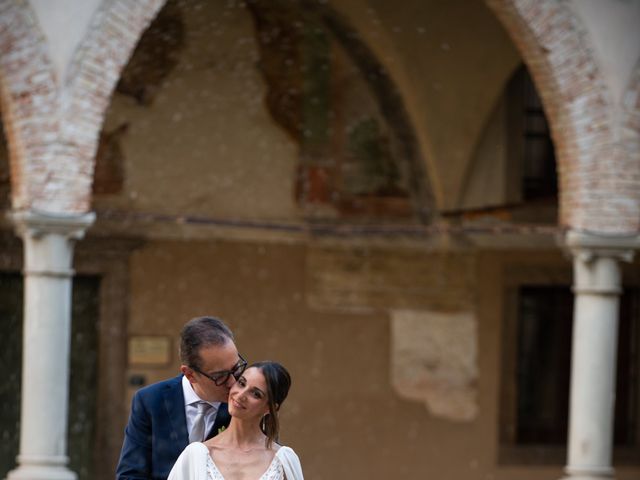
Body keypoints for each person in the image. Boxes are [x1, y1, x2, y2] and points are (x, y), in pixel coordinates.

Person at [117, 316, 248, 480]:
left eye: (237, 368)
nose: (233, 382)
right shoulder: (150, 401)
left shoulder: (248, 403)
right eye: (220, 376)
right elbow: (130, 475)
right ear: (190, 374)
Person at [168, 361, 303, 480]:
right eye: (241, 383)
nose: (241, 395)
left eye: (256, 394)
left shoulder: (284, 460)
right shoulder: (196, 455)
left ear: (270, 408)